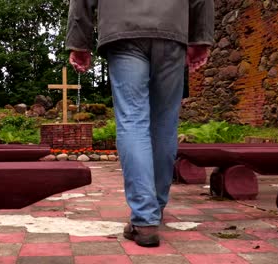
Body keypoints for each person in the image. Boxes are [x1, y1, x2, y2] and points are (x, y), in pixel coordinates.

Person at [66, 0, 214, 247]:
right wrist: (200, 37)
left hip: (123, 30)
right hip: (171, 28)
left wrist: (80, 43)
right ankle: (154, 209)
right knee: (165, 125)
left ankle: (145, 218)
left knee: (132, 121)